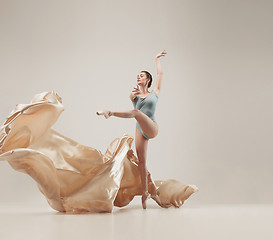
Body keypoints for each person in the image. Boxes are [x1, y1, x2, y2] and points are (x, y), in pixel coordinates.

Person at [96, 50, 167, 209]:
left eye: (141, 76)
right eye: (137, 76)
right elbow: (133, 101)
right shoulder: (133, 96)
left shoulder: (154, 93)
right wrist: (134, 95)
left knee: (136, 113)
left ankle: (110, 112)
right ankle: (145, 192)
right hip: (140, 130)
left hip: (152, 127)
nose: (138, 77)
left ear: (148, 80)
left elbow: (160, 73)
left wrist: (156, 59)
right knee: (142, 162)